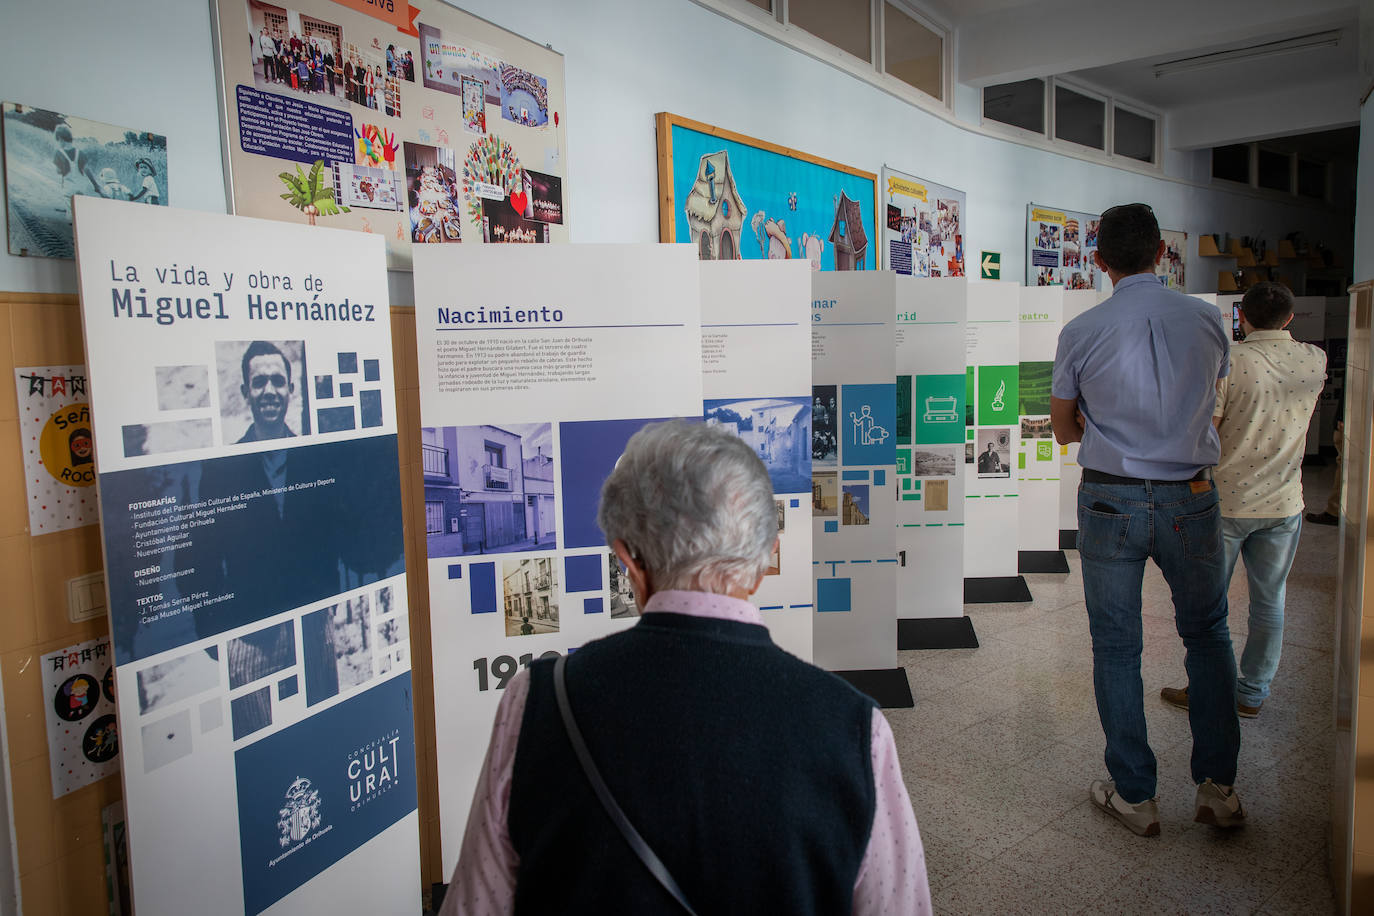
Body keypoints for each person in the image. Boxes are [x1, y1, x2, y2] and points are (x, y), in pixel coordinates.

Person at [440, 420, 929, 914]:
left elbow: (475, 906)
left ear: (628, 560)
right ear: (765, 561)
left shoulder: (538, 700)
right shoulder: (855, 728)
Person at [1051, 202, 1243, 837]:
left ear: (1098, 260)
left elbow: (1061, 427)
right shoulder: (1209, 320)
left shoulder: (1081, 330)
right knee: (1209, 635)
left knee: (1116, 645)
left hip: (1110, 497)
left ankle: (1135, 794)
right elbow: (1213, 400)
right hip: (1192, 495)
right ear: (1163, 253)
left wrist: (1107, 433)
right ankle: (1218, 788)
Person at [1160, 282, 1326, 718]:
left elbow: (1207, 430)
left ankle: (1205, 690)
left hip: (1227, 503)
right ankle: (1252, 694)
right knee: (1270, 602)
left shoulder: (1231, 361)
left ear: (1242, 317)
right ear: (1290, 318)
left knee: (1208, 605)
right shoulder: (1315, 359)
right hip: (1285, 502)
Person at [237, 341, 296, 442]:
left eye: (278, 381)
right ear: (245, 393)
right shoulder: (232, 456)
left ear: (290, 389)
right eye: (259, 382)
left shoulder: (309, 453)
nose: (269, 391)